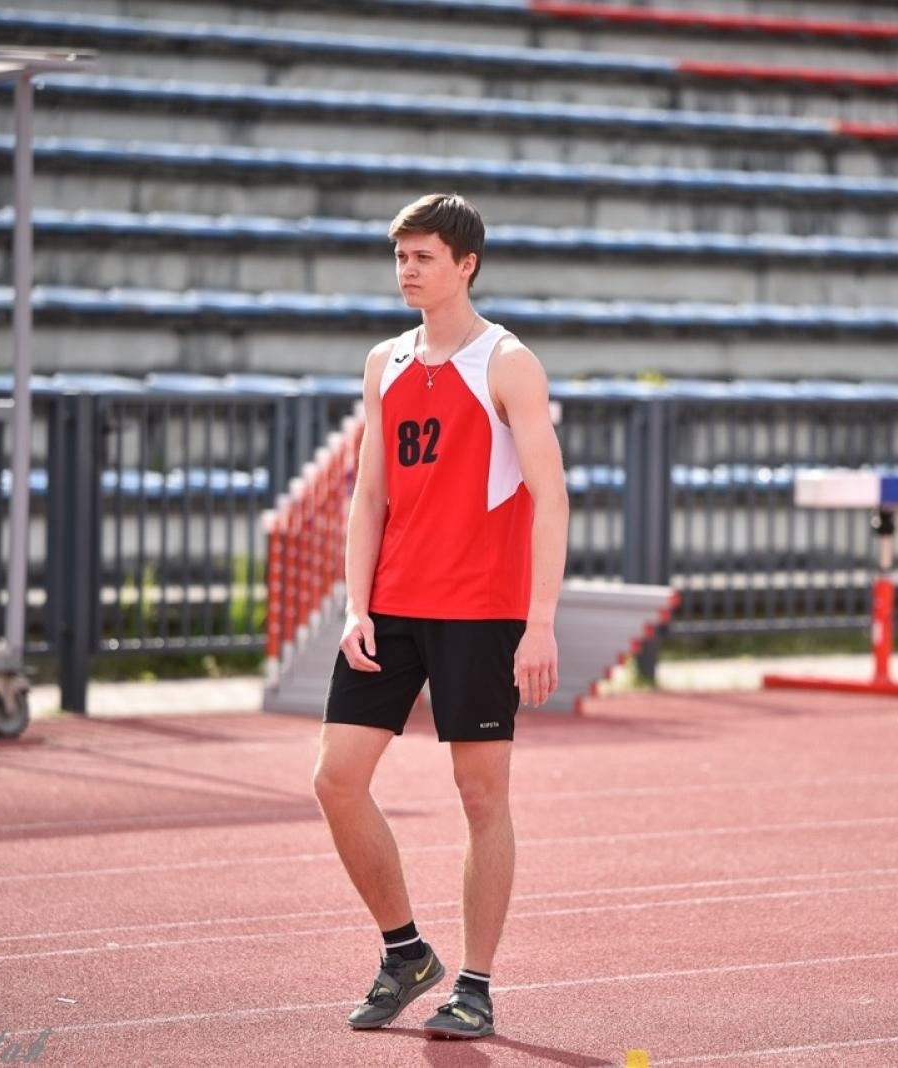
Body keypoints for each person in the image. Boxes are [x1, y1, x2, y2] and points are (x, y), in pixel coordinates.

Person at [313, 193, 568, 1041]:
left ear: (466, 265)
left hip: (480, 610)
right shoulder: (384, 360)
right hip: (391, 605)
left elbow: (551, 497)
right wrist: (356, 604)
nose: (407, 270)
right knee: (336, 780)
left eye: (423, 257)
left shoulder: (509, 363)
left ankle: (476, 984)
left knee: (480, 794)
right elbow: (369, 497)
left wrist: (539, 621)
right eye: (401, 256)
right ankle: (405, 952)